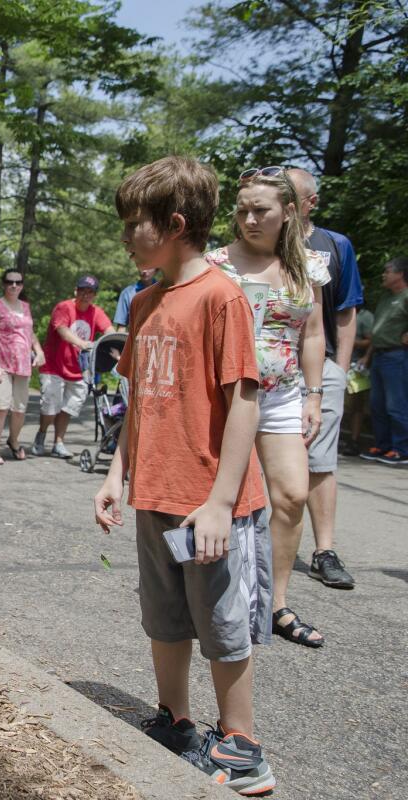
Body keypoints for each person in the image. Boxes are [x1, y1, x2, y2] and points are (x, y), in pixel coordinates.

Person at [95, 156, 274, 796]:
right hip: (155, 492)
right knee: (165, 615)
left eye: (133, 223)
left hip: (210, 503)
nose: (125, 236)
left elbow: (245, 402)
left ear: (172, 224)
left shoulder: (220, 296)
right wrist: (118, 474)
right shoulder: (144, 303)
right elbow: (139, 402)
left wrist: (223, 502)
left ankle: (242, 745)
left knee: (222, 621)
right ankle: (175, 720)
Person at [207, 166, 327, 648]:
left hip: (282, 394)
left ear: (289, 212)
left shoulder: (308, 265)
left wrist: (314, 395)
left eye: (261, 211)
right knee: (224, 498)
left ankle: (275, 603)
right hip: (229, 395)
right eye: (242, 211)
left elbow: (313, 333)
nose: (250, 219)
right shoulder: (217, 263)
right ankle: (218, 597)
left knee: (292, 495)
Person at [286, 168, 362, 590]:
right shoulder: (260, 244)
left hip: (323, 366)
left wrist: (340, 371)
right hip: (270, 366)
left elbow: (345, 313)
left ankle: (323, 551)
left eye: (290, 195)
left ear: (310, 202)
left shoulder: (335, 245)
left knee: (320, 460)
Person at [30, 276, 111, 458]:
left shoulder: (96, 312)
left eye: (90, 292)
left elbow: (108, 330)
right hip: (54, 366)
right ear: (76, 290)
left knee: (69, 407)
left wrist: (112, 342)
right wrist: (83, 343)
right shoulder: (64, 307)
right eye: (82, 290)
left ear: (94, 295)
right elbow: (63, 331)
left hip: (79, 369)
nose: (85, 295)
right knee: (51, 405)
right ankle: (41, 434)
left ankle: (59, 443)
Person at [0, 270, 45, 462]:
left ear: (22, 285)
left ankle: (13, 440)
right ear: (4, 284)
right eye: (10, 282)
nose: (14, 285)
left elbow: (30, 332)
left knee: (19, 409)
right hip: (1, 365)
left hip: (22, 365)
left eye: (18, 282)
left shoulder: (25, 307)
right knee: (1, 408)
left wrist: (39, 350)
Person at [359, 258, 408, 465]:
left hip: (397, 355)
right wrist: (367, 356)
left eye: (387, 271)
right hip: (378, 355)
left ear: (401, 274)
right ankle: (382, 445)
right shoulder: (386, 297)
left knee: (396, 404)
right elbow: (377, 330)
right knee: (377, 404)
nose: (383, 275)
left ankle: (402, 449)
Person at [341, 306, 375, 454]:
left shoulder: (365, 316)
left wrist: (348, 341)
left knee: (356, 406)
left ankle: (353, 442)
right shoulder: (340, 312)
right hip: (337, 365)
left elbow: (371, 341)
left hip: (356, 370)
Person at [113, 264, 159, 331]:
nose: (144, 271)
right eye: (142, 266)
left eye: (149, 267)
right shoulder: (127, 293)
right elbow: (121, 326)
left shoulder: (164, 290)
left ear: (156, 270)